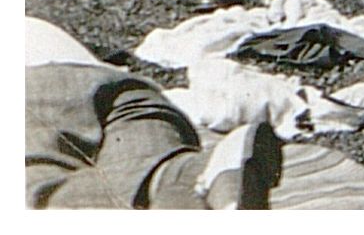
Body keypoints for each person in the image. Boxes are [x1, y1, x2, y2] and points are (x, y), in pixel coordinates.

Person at [27, 17, 281, 209]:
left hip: (34, 85)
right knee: (158, 172)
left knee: (43, 193)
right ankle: (200, 171)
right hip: (124, 87)